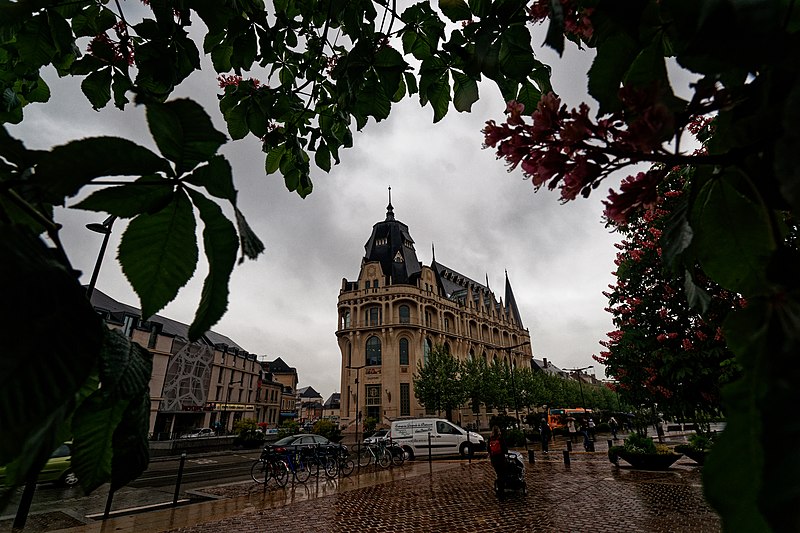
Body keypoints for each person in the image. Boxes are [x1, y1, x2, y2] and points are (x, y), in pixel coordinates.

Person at [488, 425, 508, 497]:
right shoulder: (500, 438)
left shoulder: (490, 439)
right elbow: (505, 449)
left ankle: (499, 490)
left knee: (498, 474)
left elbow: (488, 450)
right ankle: (502, 491)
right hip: (501, 459)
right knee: (502, 475)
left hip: (494, 460)